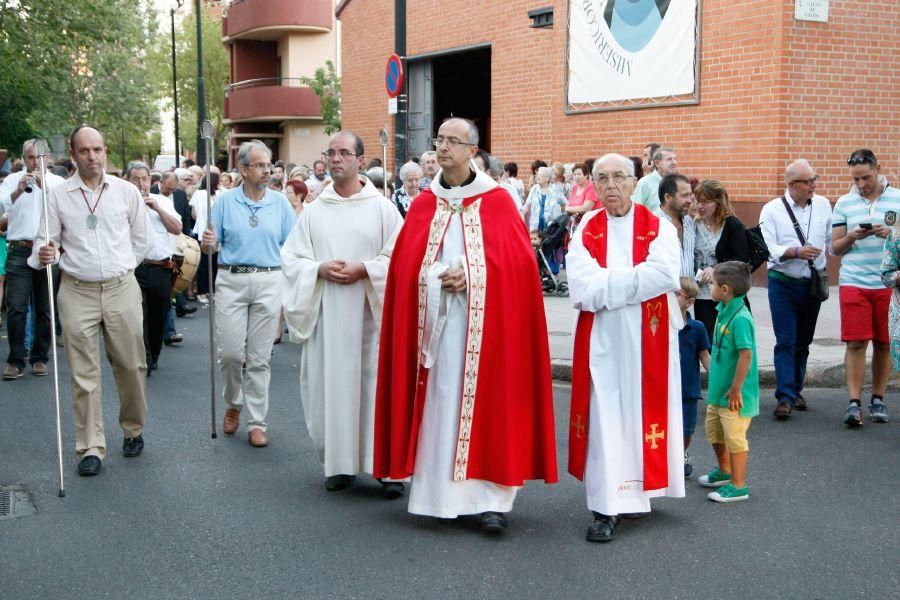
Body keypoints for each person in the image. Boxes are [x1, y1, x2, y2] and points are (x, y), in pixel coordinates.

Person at [374, 117, 557, 534]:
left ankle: (491, 502)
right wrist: (437, 277)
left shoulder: (497, 201)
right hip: (436, 331)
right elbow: (405, 268)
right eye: (439, 139)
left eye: (453, 141)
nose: (443, 147)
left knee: (489, 404)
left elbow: (519, 267)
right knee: (441, 403)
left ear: (473, 151)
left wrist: (472, 275)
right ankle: (437, 495)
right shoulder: (424, 204)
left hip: (489, 330)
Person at [566, 152, 684, 543]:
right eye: (602, 178)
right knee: (604, 417)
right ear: (593, 184)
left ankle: (639, 492)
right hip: (601, 338)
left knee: (643, 413)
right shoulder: (586, 226)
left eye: (619, 177)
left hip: (648, 338)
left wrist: (608, 285)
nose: (611, 185)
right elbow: (581, 288)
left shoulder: (658, 227)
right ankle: (605, 506)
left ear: (636, 182)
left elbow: (663, 274)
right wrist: (631, 284)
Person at [282, 131, 404, 495]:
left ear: (361, 161)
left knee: (374, 388)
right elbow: (291, 259)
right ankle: (339, 465)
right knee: (332, 387)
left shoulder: (383, 209)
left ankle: (385, 469)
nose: (336, 159)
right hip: (330, 318)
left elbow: (399, 258)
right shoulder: (315, 212)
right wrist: (318, 270)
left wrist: (366, 269)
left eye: (344, 153)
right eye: (331, 153)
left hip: (371, 317)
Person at [29, 125, 152, 476]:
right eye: (84, 151)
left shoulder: (126, 192)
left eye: (97, 149)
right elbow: (42, 242)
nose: (92, 157)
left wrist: (122, 267)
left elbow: (142, 240)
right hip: (77, 290)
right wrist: (45, 252)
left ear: (106, 150)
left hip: (120, 287)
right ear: (73, 154)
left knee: (131, 366)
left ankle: (133, 429)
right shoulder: (57, 196)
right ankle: (90, 446)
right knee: (84, 374)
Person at [200, 140, 296, 448]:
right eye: (259, 165)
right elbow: (210, 247)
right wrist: (208, 242)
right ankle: (233, 402)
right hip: (232, 279)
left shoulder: (280, 204)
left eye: (268, 165)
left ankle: (257, 421)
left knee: (258, 358)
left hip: (269, 280)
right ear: (243, 169)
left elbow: (292, 247)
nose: (267, 170)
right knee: (230, 354)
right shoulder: (225, 202)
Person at [758, 159, 832, 419]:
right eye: (808, 181)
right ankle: (785, 396)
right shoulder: (771, 210)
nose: (814, 185)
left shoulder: (823, 205)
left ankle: (796, 389)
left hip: (812, 282)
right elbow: (768, 249)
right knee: (786, 340)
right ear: (791, 184)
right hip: (783, 282)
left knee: (803, 340)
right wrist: (795, 252)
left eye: (815, 179)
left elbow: (832, 242)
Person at [832, 149, 899, 426]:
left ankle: (879, 399)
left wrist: (892, 233)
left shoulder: (897, 198)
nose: (862, 184)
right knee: (856, 342)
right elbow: (834, 248)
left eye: (866, 178)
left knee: (884, 342)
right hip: (854, 282)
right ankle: (854, 403)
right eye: (856, 179)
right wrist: (851, 236)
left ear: (877, 168)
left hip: (889, 283)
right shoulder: (844, 204)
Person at [0, 139, 65, 380]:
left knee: (45, 307)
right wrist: (18, 189)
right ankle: (16, 360)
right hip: (19, 249)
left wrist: (43, 186)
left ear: (47, 158)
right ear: (23, 158)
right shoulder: (10, 181)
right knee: (16, 307)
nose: (34, 162)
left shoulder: (58, 183)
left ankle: (40, 357)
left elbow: (64, 210)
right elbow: (2, 207)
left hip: (47, 249)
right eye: (29, 157)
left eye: (38, 157)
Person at [699, 261, 759, 503]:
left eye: (712, 284)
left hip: (735, 395)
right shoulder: (723, 312)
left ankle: (738, 485)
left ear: (725, 289)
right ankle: (725, 471)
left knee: (735, 438)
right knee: (714, 432)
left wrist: (736, 389)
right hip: (719, 391)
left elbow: (746, 355)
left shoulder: (741, 318)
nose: (709, 288)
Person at [127, 161, 182, 374]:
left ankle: (154, 353)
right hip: (135, 268)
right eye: (136, 179)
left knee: (158, 316)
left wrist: (156, 208)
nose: (141, 184)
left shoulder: (162, 201)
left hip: (161, 268)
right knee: (138, 316)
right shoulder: (124, 201)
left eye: (145, 179)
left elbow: (177, 228)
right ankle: (145, 358)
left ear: (151, 181)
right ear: (128, 180)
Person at [693, 179, 750, 342]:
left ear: (718, 202)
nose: (699, 206)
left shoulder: (732, 225)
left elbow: (741, 261)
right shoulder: (693, 224)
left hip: (726, 297)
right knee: (708, 346)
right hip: (701, 297)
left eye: (705, 202)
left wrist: (716, 270)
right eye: (697, 201)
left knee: (728, 346)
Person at [677, 277, 710, 478]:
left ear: (690, 301)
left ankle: (682, 453)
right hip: (664, 387)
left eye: (677, 294)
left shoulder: (697, 328)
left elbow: (704, 355)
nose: (671, 297)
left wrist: (717, 380)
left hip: (688, 387)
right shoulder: (660, 323)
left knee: (687, 427)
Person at [524, 166, 565, 273]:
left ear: (547, 178)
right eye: (538, 175)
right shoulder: (534, 189)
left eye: (541, 175)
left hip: (550, 224)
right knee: (535, 247)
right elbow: (527, 205)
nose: (538, 177)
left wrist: (565, 216)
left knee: (550, 246)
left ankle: (551, 271)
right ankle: (536, 270)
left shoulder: (555, 190)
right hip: (536, 225)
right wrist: (518, 213)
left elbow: (565, 203)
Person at [659, 173, 696, 277]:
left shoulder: (690, 223)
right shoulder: (652, 224)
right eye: (684, 195)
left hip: (691, 291)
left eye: (690, 195)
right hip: (665, 291)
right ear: (667, 197)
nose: (690, 200)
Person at [191, 171, 220, 300]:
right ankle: (212, 291)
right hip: (216, 232)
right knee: (214, 263)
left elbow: (194, 213)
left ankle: (202, 292)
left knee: (203, 264)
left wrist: (200, 222)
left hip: (203, 232)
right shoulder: (219, 194)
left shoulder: (198, 193)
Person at [632, 146, 676, 214]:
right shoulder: (644, 183)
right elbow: (635, 211)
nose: (674, 162)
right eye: (669, 159)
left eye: (675, 159)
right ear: (657, 163)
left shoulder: (677, 183)